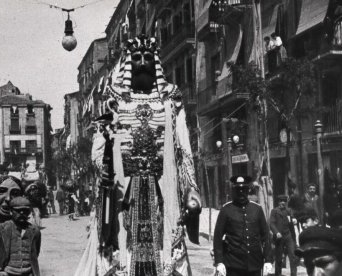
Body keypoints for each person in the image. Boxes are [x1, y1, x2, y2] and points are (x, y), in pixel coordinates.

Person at [77, 35, 201, 276]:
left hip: (162, 186)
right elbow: (101, 144)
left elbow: (183, 148)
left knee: (165, 245)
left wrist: (191, 187)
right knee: (121, 244)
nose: (142, 62)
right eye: (136, 57)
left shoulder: (170, 100)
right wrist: (102, 170)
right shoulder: (115, 101)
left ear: (155, 62)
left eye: (147, 57)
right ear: (127, 64)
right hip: (123, 188)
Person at [213, 176, 272, 276]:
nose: (241, 192)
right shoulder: (226, 210)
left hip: (255, 263)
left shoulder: (257, 209)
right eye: (238, 190)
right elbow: (217, 237)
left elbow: (265, 236)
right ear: (233, 191)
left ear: (248, 191)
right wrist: (219, 261)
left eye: (244, 190)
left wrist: (268, 260)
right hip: (233, 264)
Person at [0, 196, 41, 276]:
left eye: (25, 211)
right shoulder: (0, 229)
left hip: (28, 273)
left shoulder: (35, 231)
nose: (22, 213)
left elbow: (35, 253)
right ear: (11, 211)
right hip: (7, 273)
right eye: (18, 210)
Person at [270, 195, 297, 276]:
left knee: (292, 256)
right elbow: (271, 223)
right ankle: (278, 274)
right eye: (281, 201)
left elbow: (292, 219)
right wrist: (276, 232)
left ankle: (293, 274)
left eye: (284, 201)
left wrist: (294, 220)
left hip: (288, 235)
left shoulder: (289, 210)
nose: (283, 203)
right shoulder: (274, 211)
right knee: (279, 257)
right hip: (279, 236)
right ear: (278, 202)